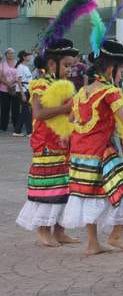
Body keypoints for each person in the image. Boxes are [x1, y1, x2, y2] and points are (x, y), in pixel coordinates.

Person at [62, 39, 123, 256]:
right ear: (112, 68)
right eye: (121, 69)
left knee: (90, 196)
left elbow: (72, 119)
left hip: (80, 154)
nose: (122, 74)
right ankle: (116, 235)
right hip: (102, 151)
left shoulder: (82, 92)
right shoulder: (110, 91)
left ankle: (93, 243)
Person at [15, 39, 80, 247]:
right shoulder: (41, 84)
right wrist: (66, 108)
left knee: (66, 187)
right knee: (48, 187)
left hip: (64, 144)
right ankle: (43, 230)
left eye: (72, 66)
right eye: (67, 65)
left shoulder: (66, 86)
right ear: (52, 64)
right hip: (46, 144)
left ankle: (60, 230)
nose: (70, 70)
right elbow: (38, 113)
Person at [12, 50, 33, 137]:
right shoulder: (20, 67)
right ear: (24, 57)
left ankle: (17, 131)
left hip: (27, 90)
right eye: (28, 55)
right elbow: (19, 82)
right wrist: (23, 94)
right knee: (26, 111)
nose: (30, 57)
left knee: (24, 111)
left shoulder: (26, 67)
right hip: (22, 91)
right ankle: (29, 132)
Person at [0, 47, 19, 131]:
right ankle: (3, 127)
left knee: (16, 108)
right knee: (4, 108)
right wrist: (7, 83)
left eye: (12, 53)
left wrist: (12, 82)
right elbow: (0, 76)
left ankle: (16, 126)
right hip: (4, 89)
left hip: (15, 89)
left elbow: (19, 75)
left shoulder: (17, 63)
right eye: (9, 53)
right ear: (6, 55)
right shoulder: (2, 64)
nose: (11, 55)